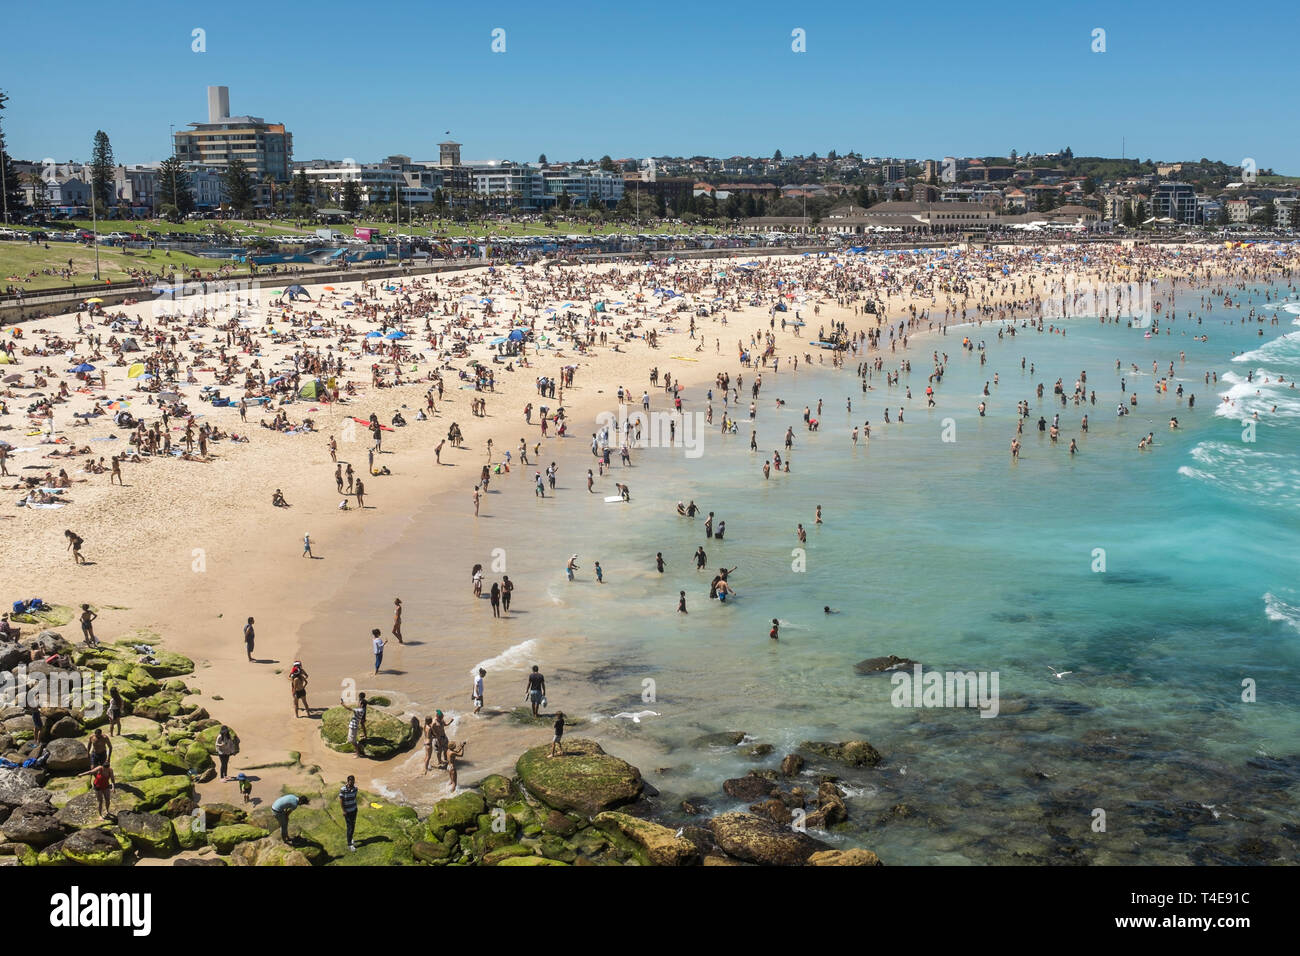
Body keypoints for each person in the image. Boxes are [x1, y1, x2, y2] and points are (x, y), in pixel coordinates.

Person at [339, 775, 359, 852]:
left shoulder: (355, 789)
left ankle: (350, 838)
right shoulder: (343, 789)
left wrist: (355, 808)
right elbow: (341, 800)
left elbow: (354, 798)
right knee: (350, 827)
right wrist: (343, 810)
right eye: (351, 781)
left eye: (353, 781)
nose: (352, 782)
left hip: (354, 810)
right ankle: (349, 844)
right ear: (348, 781)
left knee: (352, 826)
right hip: (347, 812)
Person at [345, 691, 368, 757]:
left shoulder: (361, 708)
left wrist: (343, 704)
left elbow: (350, 709)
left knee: (353, 741)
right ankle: (357, 752)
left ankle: (357, 753)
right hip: (354, 724)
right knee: (352, 739)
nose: (359, 701)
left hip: (354, 725)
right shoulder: (363, 705)